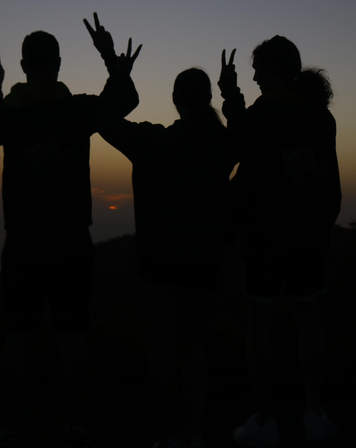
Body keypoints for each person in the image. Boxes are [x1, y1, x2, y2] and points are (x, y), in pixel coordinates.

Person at [0, 14, 140, 448]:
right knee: (71, 332)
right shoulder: (76, 109)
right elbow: (124, 98)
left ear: (22, 64)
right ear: (58, 64)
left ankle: (10, 428)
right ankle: (74, 425)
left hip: (23, 239)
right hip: (71, 237)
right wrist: (110, 57)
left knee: (18, 334)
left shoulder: (10, 114)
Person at [97, 65, 235, 448]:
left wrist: (117, 72)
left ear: (175, 100)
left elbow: (105, 120)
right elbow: (244, 134)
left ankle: (170, 435)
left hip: (159, 262)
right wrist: (232, 94)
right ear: (208, 99)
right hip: (205, 260)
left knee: (163, 344)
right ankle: (195, 433)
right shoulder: (223, 143)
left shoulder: (151, 141)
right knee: (194, 347)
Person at [219, 38, 341, 446]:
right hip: (309, 234)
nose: (254, 76)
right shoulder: (321, 116)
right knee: (310, 321)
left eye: (258, 69)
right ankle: (313, 414)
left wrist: (230, 93)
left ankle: (265, 420)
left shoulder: (264, 113)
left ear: (273, 69)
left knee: (260, 327)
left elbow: (235, 146)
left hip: (266, 237)